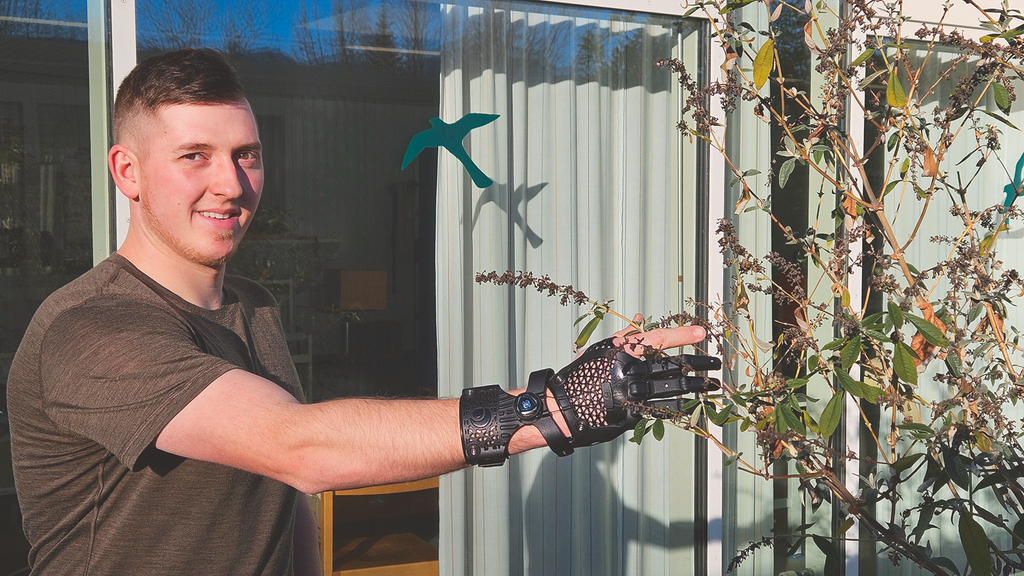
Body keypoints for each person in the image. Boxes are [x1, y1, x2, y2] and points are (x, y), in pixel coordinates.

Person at [6, 48, 711, 575]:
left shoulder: (251, 306)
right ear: (126, 171)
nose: (231, 182)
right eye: (194, 155)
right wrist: (547, 407)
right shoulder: (90, 330)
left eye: (245, 154)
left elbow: (288, 492)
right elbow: (300, 448)